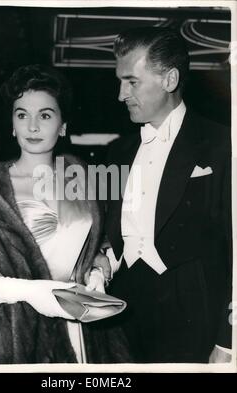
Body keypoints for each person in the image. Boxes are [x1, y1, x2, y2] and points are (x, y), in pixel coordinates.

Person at [0, 64, 131, 364]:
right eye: (22, 115)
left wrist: (97, 273)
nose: (32, 127)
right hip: (11, 329)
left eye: (45, 115)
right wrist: (33, 293)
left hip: (77, 326)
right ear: (12, 124)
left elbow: (102, 245)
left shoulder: (82, 177)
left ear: (62, 125)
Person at [101, 28, 232, 363]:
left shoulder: (222, 144)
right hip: (120, 315)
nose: (120, 94)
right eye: (120, 81)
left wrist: (228, 340)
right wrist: (104, 259)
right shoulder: (118, 151)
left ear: (170, 79)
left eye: (132, 81)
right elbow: (111, 229)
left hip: (193, 314)